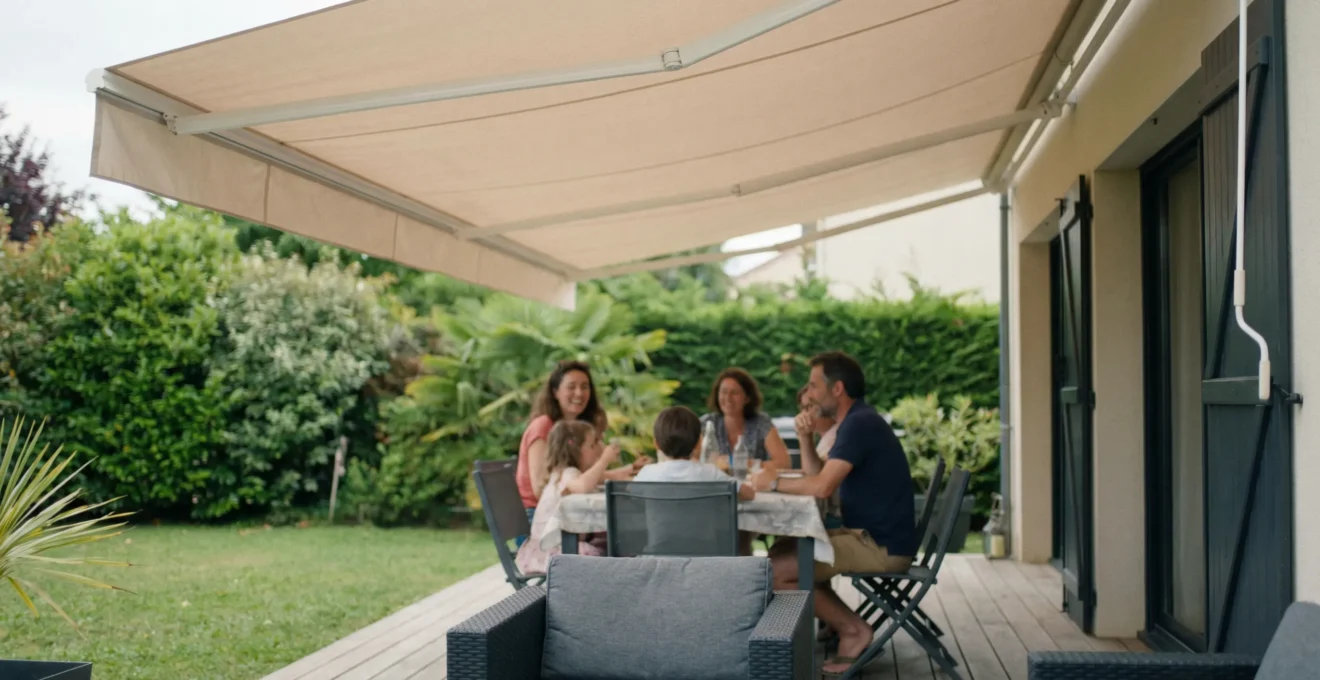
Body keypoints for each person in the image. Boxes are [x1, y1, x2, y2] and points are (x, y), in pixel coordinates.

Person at [751, 351, 917, 675]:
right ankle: (837, 621)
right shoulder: (855, 421)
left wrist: (772, 481)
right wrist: (804, 438)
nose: (808, 394)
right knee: (783, 550)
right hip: (869, 535)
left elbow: (822, 487)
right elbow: (818, 476)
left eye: (813, 386)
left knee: (773, 571)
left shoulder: (859, 424)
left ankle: (854, 629)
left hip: (879, 546)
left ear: (837, 388)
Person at [516, 361, 648, 544]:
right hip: (541, 523)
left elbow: (583, 475)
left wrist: (627, 470)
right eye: (571, 387)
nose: (579, 393)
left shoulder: (579, 430)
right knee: (615, 539)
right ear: (555, 392)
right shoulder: (542, 426)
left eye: (584, 387)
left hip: (568, 517)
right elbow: (541, 488)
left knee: (617, 538)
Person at [515, 420, 618, 574]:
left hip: (562, 544)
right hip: (551, 551)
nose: (597, 450)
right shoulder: (566, 473)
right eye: (591, 446)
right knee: (599, 555)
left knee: (608, 544)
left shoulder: (569, 473)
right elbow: (582, 486)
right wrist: (604, 460)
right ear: (574, 450)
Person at [635, 406, 756, 501]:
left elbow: (628, 495)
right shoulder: (710, 473)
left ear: (656, 444)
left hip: (659, 534)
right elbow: (749, 494)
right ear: (699, 443)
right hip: (704, 534)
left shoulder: (647, 474)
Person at [699, 368, 792, 471]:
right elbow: (690, 460)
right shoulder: (706, 423)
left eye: (734, 393)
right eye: (723, 392)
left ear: (747, 398)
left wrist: (744, 463)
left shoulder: (761, 423)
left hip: (754, 485)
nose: (728, 398)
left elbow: (784, 463)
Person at [795, 385, 842, 529]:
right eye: (803, 408)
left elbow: (815, 478)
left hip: (841, 524)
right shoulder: (826, 438)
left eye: (810, 406)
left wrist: (774, 482)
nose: (805, 414)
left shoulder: (837, 436)